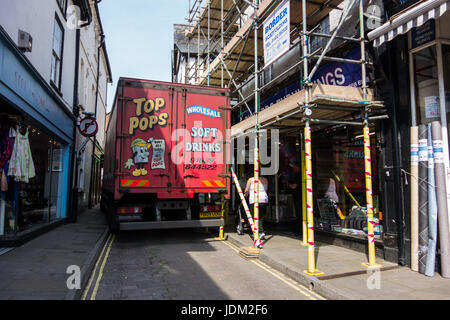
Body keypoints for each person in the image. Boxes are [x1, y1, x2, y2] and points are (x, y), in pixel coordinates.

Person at [244, 174, 268, 239]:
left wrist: (245, 194)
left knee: (255, 217)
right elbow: (266, 189)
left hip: (254, 200)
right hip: (264, 199)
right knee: (261, 216)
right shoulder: (265, 180)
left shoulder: (250, 180)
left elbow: (246, 190)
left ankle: (259, 232)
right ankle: (260, 231)